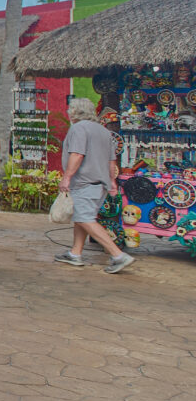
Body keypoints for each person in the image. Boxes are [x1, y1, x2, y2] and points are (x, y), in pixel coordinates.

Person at [55, 97, 134, 273]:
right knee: (82, 217)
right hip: (100, 184)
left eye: (70, 109)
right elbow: (112, 160)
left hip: (84, 182)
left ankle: (118, 255)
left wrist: (66, 177)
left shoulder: (78, 128)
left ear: (74, 112)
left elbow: (77, 154)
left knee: (85, 218)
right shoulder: (103, 131)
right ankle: (75, 253)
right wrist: (112, 182)